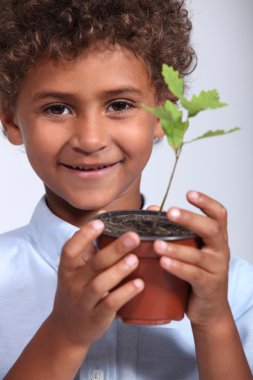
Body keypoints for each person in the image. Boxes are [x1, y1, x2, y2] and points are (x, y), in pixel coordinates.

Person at [0, 0, 252, 379]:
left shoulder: (233, 288)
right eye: (57, 109)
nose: (89, 139)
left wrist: (214, 322)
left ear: (164, 114)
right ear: (11, 121)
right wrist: (65, 334)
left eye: (119, 105)